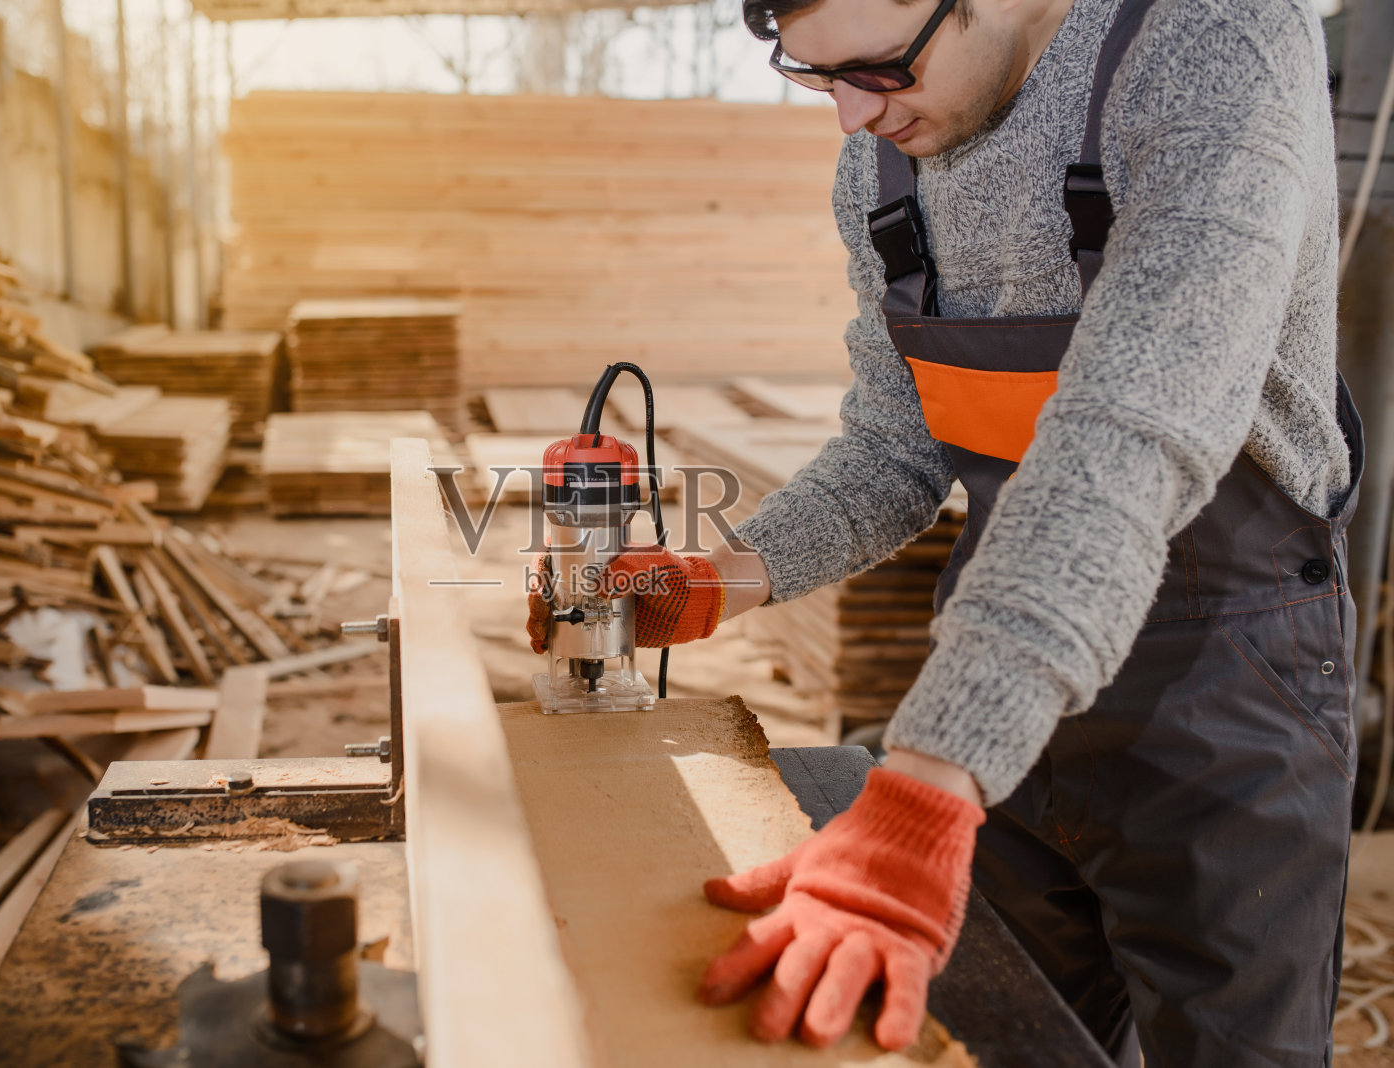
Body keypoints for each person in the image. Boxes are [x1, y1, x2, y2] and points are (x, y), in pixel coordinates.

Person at [525, 0, 1362, 1063]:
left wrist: (925, 791)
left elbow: (1131, 431)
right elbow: (897, 444)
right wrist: (726, 578)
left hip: (1224, 688)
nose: (847, 118)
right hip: (992, 681)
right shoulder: (883, 164)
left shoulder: (1208, 45)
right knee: (994, 1036)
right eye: (810, 74)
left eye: (877, 70)